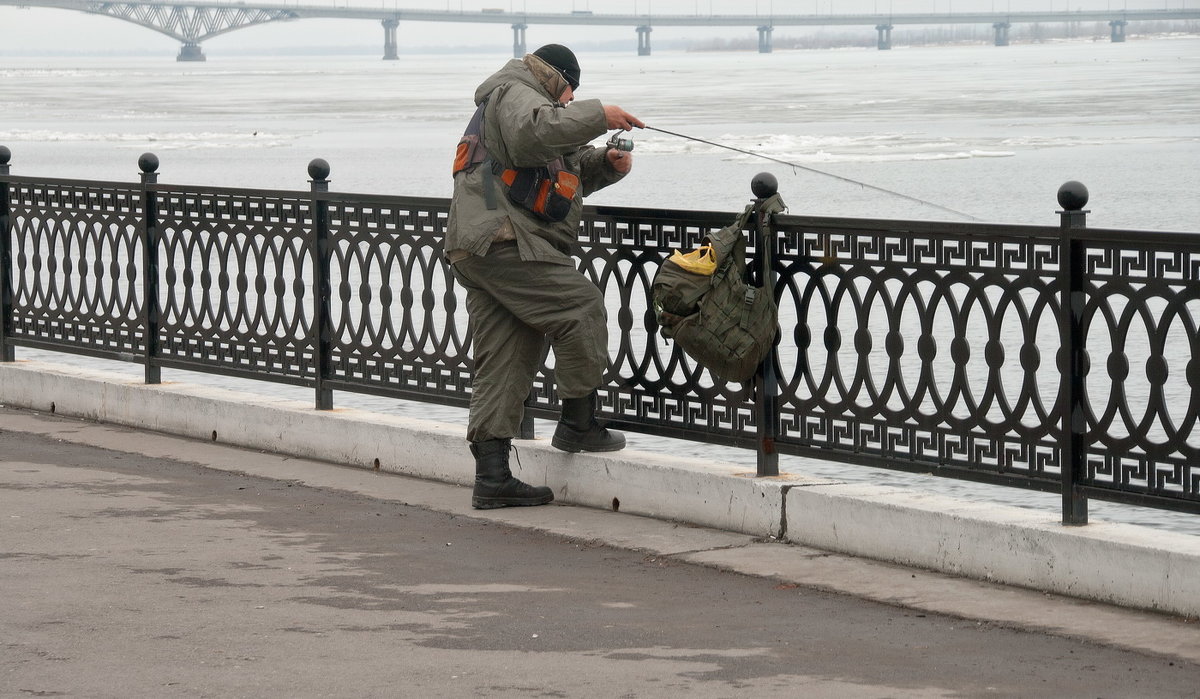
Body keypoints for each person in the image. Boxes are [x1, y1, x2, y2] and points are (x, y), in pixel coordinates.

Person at [445, 44, 644, 510]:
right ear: (557, 78)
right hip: (503, 240)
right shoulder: (515, 91)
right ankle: (578, 422)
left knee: (508, 352)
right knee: (580, 306)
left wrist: (604, 165)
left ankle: (492, 477)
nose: (571, 102)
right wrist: (602, 116)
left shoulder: (519, 101)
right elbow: (535, 134)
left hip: (483, 242)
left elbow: (551, 179)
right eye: (572, 92)